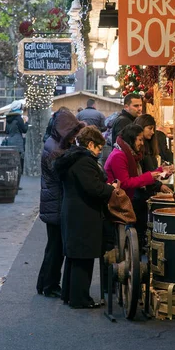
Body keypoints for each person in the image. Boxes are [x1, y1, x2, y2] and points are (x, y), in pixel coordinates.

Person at [54, 126, 115, 309]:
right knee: (83, 257)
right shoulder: (84, 161)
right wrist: (111, 189)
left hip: (73, 211)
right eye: (98, 148)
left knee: (74, 256)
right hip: (83, 215)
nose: (98, 152)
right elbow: (94, 189)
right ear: (90, 144)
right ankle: (81, 299)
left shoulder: (72, 158)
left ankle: (69, 295)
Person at [37, 109, 85, 298]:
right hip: (55, 203)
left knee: (53, 247)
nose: (74, 138)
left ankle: (45, 284)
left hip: (53, 201)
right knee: (56, 248)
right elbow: (62, 173)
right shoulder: (55, 149)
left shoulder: (55, 143)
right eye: (72, 133)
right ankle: (49, 285)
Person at [104, 124, 162, 248]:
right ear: (131, 139)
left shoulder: (128, 154)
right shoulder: (119, 155)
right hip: (116, 204)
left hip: (123, 201)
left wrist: (160, 171)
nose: (142, 143)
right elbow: (125, 183)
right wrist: (149, 177)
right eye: (140, 139)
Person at [134, 114, 173, 196]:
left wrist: (162, 171)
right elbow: (142, 175)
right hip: (140, 195)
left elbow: (151, 171)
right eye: (150, 128)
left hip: (147, 193)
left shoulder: (149, 147)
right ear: (141, 127)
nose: (152, 132)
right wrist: (159, 185)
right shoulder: (137, 150)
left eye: (153, 129)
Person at [5, 103, 28, 173]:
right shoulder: (18, 118)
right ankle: (19, 174)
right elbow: (24, 130)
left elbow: (6, 131)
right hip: (18, 142)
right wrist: (26, 122)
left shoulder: (8, 118)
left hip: (10, 141)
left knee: (11, 159)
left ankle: (11, 173)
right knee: (20, 159)